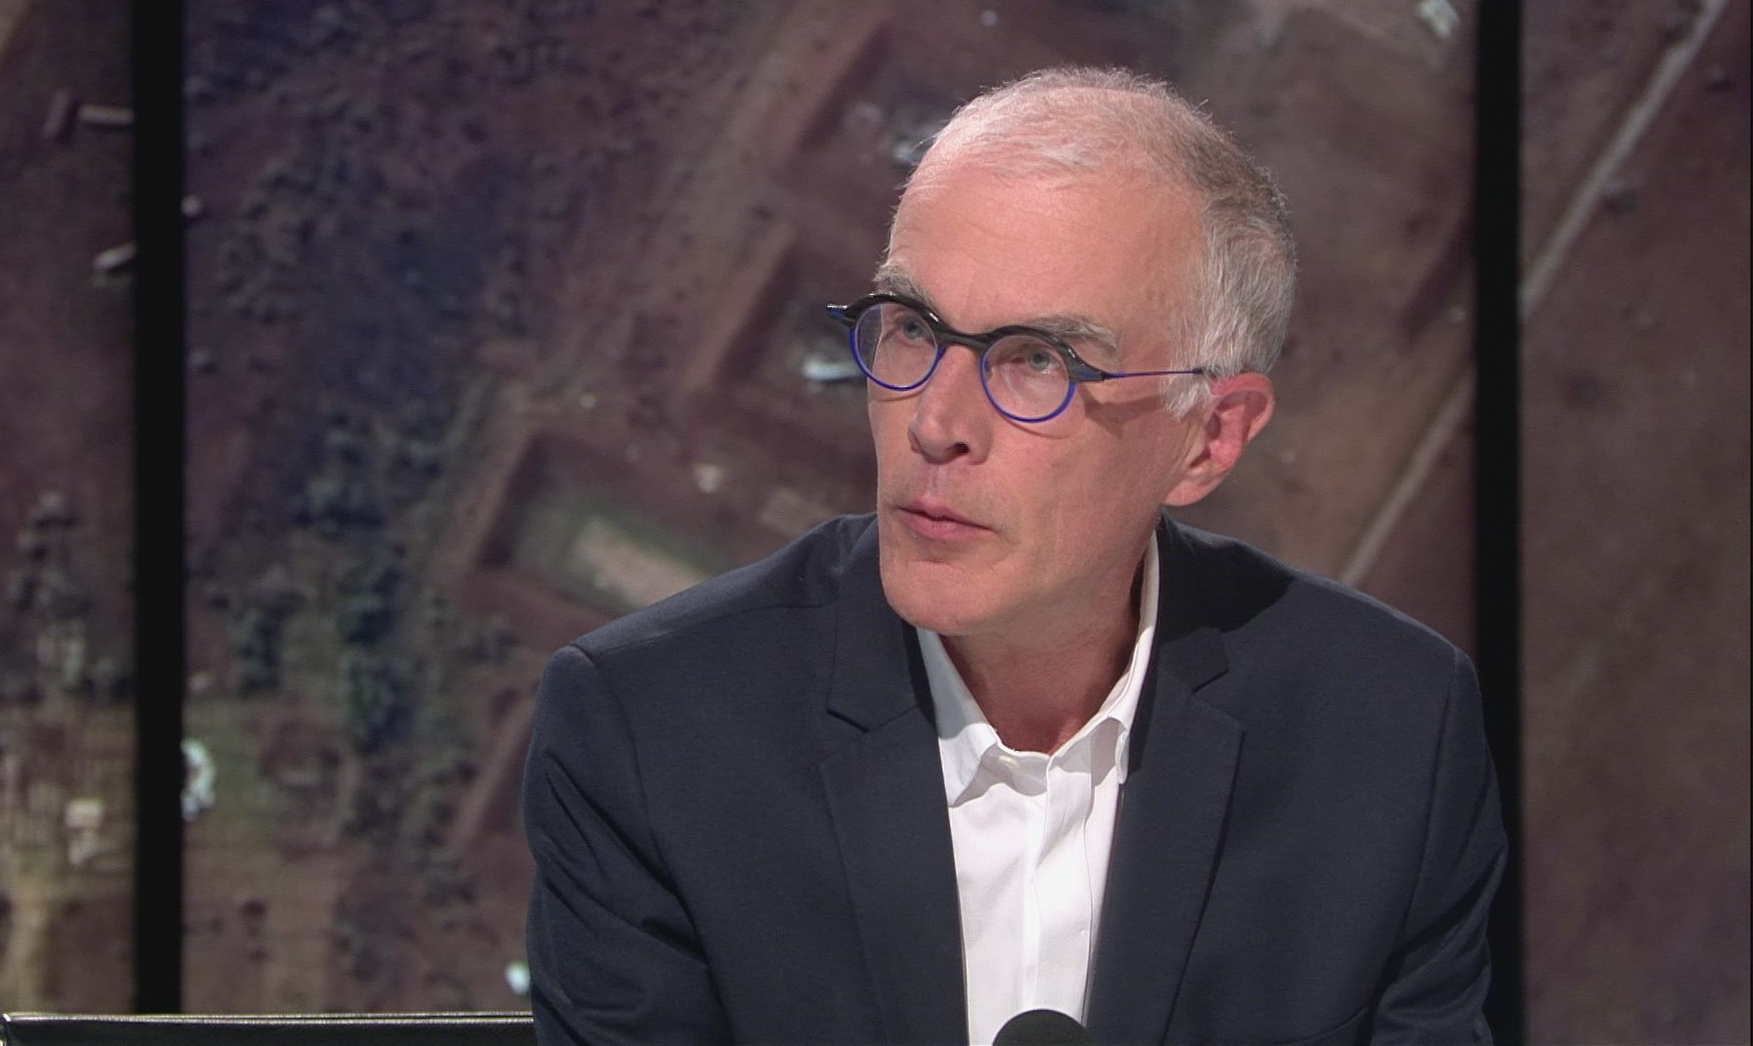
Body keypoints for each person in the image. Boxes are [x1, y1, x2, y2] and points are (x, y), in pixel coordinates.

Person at [522, 66, 1505, 1046]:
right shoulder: (651, 739)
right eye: (913, 330)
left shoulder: (1390, 735)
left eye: (1037, 359)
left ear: (1210, 435)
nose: (935, 423)